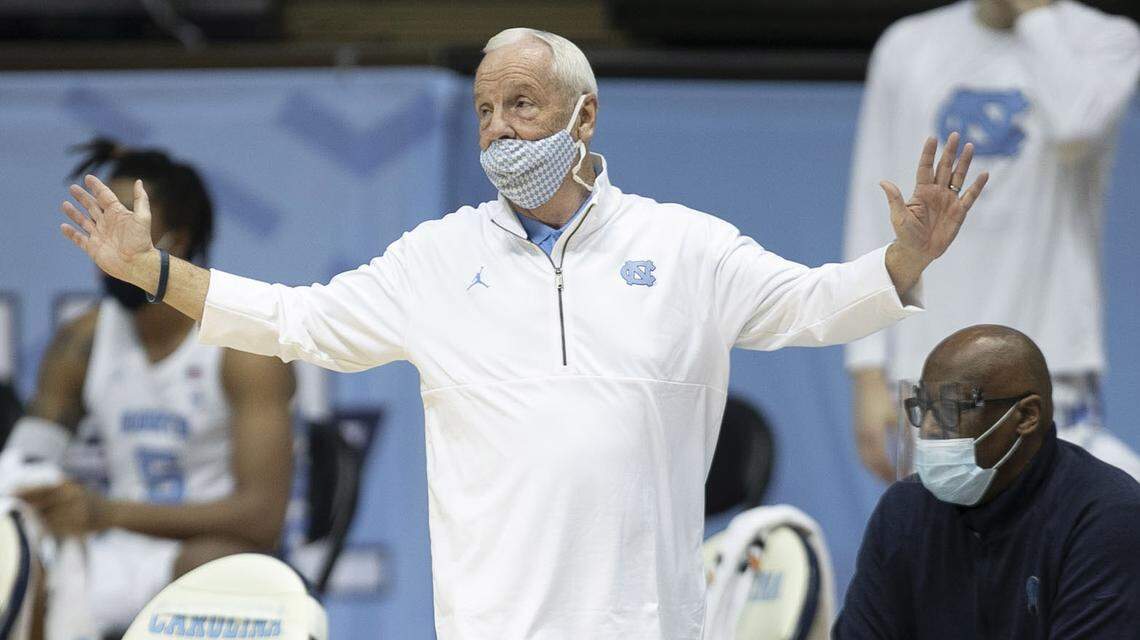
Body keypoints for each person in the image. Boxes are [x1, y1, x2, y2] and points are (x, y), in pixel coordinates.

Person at [56, 28, 988, 640]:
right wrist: (154, 273)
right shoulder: (434, 258)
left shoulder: (684, 246)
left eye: (522, 107)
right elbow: (299, 322)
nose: (499, 132)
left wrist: (904, 259)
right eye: (485, 111)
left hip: (651, 624)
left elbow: (817, 303)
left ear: (586, 116)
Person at [2, 140, 295, 636]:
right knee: (24, 564)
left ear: (175, 241)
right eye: (98, 225)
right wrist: (31, 485)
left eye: (122, 227)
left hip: (205, 550)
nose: (102, 247)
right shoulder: (84, 339)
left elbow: (262, 517)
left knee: (218, 568)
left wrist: (106, 511)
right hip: (111, 552)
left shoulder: (243, 347)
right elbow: (29, 457)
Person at [845, 0, 1140, 481]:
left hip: (1053, 361)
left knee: (1061, 536)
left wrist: (1034, 15)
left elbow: (1075, 126)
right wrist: (866, 368)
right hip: (929, 367)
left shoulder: (1106, 39)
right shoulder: (908, 44)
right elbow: (875, 205)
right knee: (945, 543)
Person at [834, 325, 1140, 638]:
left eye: (949, 409)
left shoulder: (1106, 517)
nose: (928, 429)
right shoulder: (903, 511)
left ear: (1025, 416)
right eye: (923, 408)